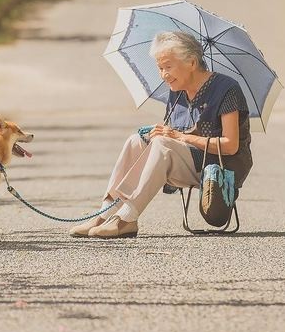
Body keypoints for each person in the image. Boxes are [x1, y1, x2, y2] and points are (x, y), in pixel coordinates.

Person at [70, 30, 253, 239]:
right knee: (136, 141)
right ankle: (105, 214)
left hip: (219, 166)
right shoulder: (176, 90)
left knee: (162, 145)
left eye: (168, 67)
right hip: (185, 160)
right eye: (160, 68)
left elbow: (230, 146)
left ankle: (127, 218)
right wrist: (158, 132)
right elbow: (172, 133)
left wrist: (179, 137)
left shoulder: (227, 89)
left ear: (192, 62)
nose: (163, 75)